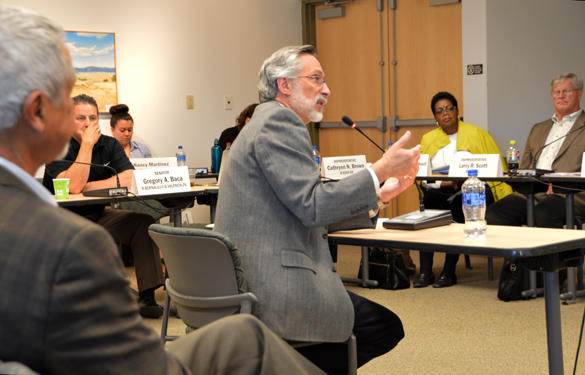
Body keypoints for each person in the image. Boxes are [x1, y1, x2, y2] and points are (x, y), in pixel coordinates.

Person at [0, 5, 325, 374]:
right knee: (249, 341)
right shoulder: (71, 247)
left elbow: (129, 177)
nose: (86, 121)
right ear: (38, 111)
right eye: (68, 96)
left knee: (243, 333)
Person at [214, 45, 420, 374]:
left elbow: (303, 206)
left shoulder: (265, 123)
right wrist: (379, 169)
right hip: (274, 287)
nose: (327, 89)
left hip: (251, 278)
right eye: (316, 79)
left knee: (378, 325)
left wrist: (378, 195)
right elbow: (313, 206)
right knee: (382, 327)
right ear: (285, 85)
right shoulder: (279, 124)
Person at [42, 94, 166, 318]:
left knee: (143, 223)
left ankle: (147, 295)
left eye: (92, 117)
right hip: (62, 221)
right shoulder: (55, 146)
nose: (88, 124)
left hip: (99, 214)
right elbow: (72, 187)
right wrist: (87, 145)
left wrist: (87, 186)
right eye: (80, 118)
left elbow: (129, 178)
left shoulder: (110, 144)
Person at [414, 92, 512, 288]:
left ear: (457, 110)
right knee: (429, 207)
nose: (446, 114)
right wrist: (444, 184)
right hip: (441, 190)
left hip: (473, 190)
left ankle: (449, 271)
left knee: (461, 203)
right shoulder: (428, 139)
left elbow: (494, 167)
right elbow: (424, 176)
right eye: (439, 111)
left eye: (449, 108)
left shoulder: (476, 134)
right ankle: (425, 271)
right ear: (435, 117)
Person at [486, 73, 585, 228]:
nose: (561, 96)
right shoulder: (538, 129)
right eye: (556, 92)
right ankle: (520, 252)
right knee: (494, 214)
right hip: (532, 192)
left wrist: (561, 186)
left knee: (543, 214)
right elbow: (525, 167)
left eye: (566, 91)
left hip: (571, 194)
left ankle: (560, 253)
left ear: (579, 93)